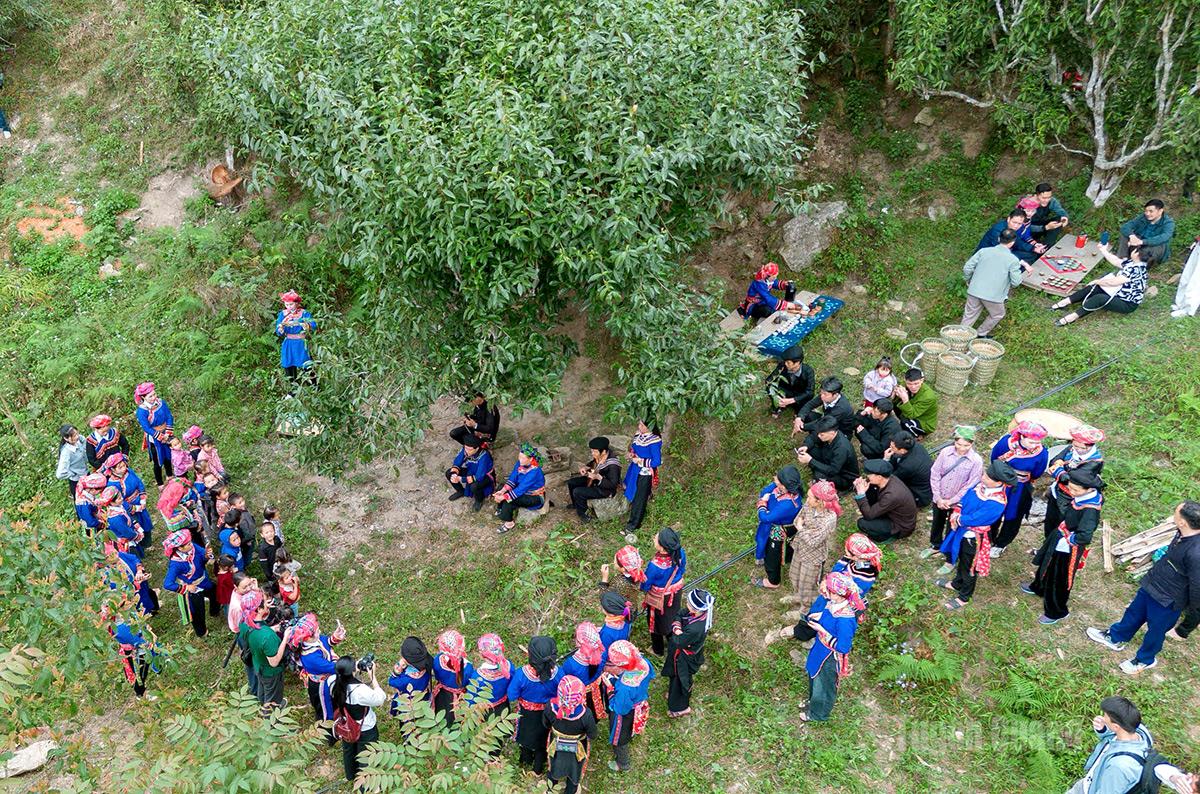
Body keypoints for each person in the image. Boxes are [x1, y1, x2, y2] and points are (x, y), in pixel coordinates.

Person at [1087, 501, 1200, 674]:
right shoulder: (1183, 531)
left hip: (1168, 600)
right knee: (1134, 612)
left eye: (1176, 512)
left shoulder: (1196, 553)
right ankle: (1115, 637)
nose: (1173, 514)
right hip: (1153, 583)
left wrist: (1184, 629)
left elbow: (1197, 592)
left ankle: (1145, 659)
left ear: (1184, 522)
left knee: (1156, 630)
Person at [768, 535, 881, 645]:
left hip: (836, 600)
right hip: (830, 592)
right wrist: (827, 580)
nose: (845, 554)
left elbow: (850, 593)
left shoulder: (866, 575)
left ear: (857, 556)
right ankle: (805, 616)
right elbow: (839, 567)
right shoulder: (855, 559)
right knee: (815, 608)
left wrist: (829, 588)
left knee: (820, 616)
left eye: (848, 552)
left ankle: (803, 633)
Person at [935, 461, 1018, 609]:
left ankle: (964, 596)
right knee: (961, 558)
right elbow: (965, 498)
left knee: (970, 567)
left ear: (998, 482)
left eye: (987, 476)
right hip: (962, 531)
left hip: (973, 538)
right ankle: (956, 583)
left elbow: (977, 518)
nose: (983, 477)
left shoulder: (997, 502)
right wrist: (958, 509)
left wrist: (958, 519)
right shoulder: (981, 487)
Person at [1025, 469, 1103, 625]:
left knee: (1060, 577)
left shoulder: (1090, 509)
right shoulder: (1081, 498)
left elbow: (1085, 535)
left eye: (1075, 490)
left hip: (1068, 546)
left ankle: (1056, 611)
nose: (1071, 491)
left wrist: (1068, 539)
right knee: (1047, 562)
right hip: (1061, 534)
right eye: (1070, 487)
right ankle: (1039, 587)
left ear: (1089, 489)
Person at [800, 572, 864, 722]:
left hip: (830, 657)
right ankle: (813, 702)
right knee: (814, 675)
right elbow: (829, 616)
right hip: (820, 649)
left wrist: (821, 630)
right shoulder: (833, 603)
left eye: (827, 589)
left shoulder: (845, 620)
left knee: (824, 685)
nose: (823, 591)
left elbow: (843, 647)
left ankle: (818, 714)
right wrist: (820, 617)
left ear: (837, 594)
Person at [1065, 697, 1153, 794]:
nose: (1102, 718)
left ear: (1116, 727)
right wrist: (1103, 730)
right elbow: (1112, 736)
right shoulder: (1137, 732)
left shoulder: (1120, 766)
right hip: (1090, 782)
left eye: (1105, 717)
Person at [1053, 242, 1152, 326]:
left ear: (1137, 254)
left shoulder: (1136, 269)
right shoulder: (1134, 263)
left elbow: (1114, 282)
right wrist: (1103, 250)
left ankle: (1072, 317)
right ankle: (1063, 303)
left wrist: (1097, 281)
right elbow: (1116, 261)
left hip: (1127, 303)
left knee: (1099, 298)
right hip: (1118, 292)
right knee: (1094, 287)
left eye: (1135, 249)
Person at [987, 420, 1049, 557]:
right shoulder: (1005, 443)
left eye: (1037, 442)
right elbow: (994, 459)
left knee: (1013, 516)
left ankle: (1001, 544)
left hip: (1019, 488)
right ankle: (987, 538)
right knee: (993, 509)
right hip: (1000, 482)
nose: (1035, 446)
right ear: (1021, 436)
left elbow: (1037, 473)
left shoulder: (1041, 453)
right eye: (1031, 442)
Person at [922, 426, 985, 560]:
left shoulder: (976, 461)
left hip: (958, 502)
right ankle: (935, 545)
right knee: (937, 522)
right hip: (940, 497)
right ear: (954, 441)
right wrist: (938, 497)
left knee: (953, 527)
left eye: (966, 445)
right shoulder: (945, 452)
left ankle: (948, 552)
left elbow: (970, 485)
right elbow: (935, 473)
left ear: (972, 443)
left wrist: (951, 501)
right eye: (958, 444)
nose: (961, 448)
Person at [781, 479, 842, 608]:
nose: (806, 500)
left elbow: (813, 542)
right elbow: (797, 519)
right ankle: (798, 596)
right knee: (794, 575)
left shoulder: (829, 518)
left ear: (820, 501)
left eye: (810, 498)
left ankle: (805, 610)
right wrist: (805, 529)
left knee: (807, 585)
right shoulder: (809, 505)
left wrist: (801, 528)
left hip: (813, 556)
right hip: (799, 547)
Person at [507, 635, 562, 773]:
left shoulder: (521, 675)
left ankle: (525, 760)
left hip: (527, 714)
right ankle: (538, 766)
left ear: (531, 655)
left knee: (525, 736)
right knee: (543, 738)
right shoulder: (558, 673)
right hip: (549, 713)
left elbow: (512, 695)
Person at [329, 655, 386, 785]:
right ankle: (364, 785)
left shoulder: (332, 682)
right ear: (352, 671)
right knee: (366, 756)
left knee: (349, 750)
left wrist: (354, 668)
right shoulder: (361, 691)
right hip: (365, 728)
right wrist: (373, 677)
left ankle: (350, 774)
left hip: (346, 725)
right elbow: (380, 698)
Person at [961, 228, 1026, 338]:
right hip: (993, 295)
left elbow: (967, 267)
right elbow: (1016, 282)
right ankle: (981, 333)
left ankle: (959, 338)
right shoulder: (1013, 260)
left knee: (969, 315)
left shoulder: (983, 251)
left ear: (998, 238)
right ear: (1012, 243)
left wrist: (968, 280)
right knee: (997, 314)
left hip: (974, 289)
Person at [602, 640, 655, 772]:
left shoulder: (625, 686)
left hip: (626, 713)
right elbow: (651, 675)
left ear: (619, 667)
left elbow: (620, 708)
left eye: (608, 664)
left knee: (619, 738)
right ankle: (632, 734)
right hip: (640, 700)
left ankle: (623, 763)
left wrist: (610, 692)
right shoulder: (643, 663)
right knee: (630, 729)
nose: (605, 667)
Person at [1044, 425, 1105, 538]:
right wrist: (1058, 463)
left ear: (1089, 446)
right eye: (1074, 445)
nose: (1076, 448)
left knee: (1061, 527)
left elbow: (1070, 479)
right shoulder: (1072, 449)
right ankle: (1045, 546)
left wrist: (1058, 471)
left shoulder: (1095, 462)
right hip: (1057, 492)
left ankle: (1054, 551)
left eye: (1080, 447)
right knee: (1049, 522)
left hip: (1070, 498)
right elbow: (1054, 459)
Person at [239, 589, 293, 710]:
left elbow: (255, 633)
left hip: (258, 663)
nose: (267, 602)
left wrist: (273, 629)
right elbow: (274, 662)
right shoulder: (267, 637)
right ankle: (271, 716)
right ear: (258, 609)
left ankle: (262, 702)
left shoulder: (243, 621)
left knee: (263, 689)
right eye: (264, 601)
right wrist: (285, 639)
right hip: (270, 672)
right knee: (272, 694)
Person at [662, 588, 713, 717]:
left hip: (685, 658)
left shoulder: (696, 629)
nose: (686, 605)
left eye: (689, 604)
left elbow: (678, 640)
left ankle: (681, 707)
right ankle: (673, 694)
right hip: (680, 653)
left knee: (681, 680)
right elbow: (679, 614)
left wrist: (677, 630)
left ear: (696, 609)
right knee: (675, 676)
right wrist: (677, 628)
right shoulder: (697, 614)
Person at [293, 613, 347, 732]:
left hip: (328, 679)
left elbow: (325, 642)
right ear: (308, 637)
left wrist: (335, 638)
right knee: (324, 708)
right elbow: (333, 667)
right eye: (317, 630)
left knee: (334, 701)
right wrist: (348, 665)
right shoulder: (311, 658)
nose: (320, 631)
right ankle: (328, 732)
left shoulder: (313, 641)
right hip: (320, 686)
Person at [544, 675, 597, 794]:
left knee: (553, 765)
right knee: (575, 770)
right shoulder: (585, 714)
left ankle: (551, 789)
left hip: (555, 744)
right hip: (577, 748)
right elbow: (593, 734)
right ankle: (570, 790)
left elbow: (545, 723)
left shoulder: (550, 706)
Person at [162, 530, 218, 637]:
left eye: (190, 542)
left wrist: (206, 556)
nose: (191, 544)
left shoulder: (192, 547)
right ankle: (201, 632)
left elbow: (202, 555)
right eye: (188, 544)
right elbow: (167, 584)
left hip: (203, 580)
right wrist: (186, 587)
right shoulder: (175, 564)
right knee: (197, 612)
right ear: (180, 548)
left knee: (214, 592)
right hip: (193, 588)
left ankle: (214, 612)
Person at [641, 528, 686, 656]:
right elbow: (682, 569)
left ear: (661, 548)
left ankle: (658, 650)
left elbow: (645, 585)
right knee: (673, 616)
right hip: (675, 593)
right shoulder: (680, 552)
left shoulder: (655, 566)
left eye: (656, 538)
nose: (654, 538)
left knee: (656, 624)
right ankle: (676, 644)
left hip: (660, 600)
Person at [752, 464, 805, 570]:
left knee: (770, 546)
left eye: (778, 480)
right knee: (762, 539)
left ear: (784, 486)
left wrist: (762, 503)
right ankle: (762, 553)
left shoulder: (788, 504)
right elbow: (764, 491)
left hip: (777, 528)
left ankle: (766, 560)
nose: (774, 479)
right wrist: (774, 486)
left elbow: (765, 517)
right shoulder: (785, 487)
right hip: (772, 521)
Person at [852, 459, 917, 543]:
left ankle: (883, 537)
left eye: (869, 474)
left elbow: (868, 516)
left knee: (862, 523)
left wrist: (861, 495)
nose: (867, 476)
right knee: (870, 489)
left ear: (879, 477)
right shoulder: (889, 478)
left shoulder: (891, 495)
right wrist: (859, 487)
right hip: (892, 513)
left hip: (900, 526)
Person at [102, 453, 154, 555]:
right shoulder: (113, 485)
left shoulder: (128, 472)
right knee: (135, 524)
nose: (123, 468)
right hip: (128, 507)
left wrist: (142, 498)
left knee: (145, 521)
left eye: (124, 465)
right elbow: (119, 501)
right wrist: (134, 508)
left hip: (138, 500)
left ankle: (148, 543)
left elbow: (139, 482)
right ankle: (140, 546)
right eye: (120, 467)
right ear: (112, 470)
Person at [796, 415, 859, 492]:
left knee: (819, 475)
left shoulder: (842, 448)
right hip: (829, 458)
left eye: (821, 435)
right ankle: (818, 473)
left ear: (832, 433)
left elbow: (833, 471)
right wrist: (806, 446)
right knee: (810, 449)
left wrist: (810, 460)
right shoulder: (828, 432)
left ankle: (836, 488)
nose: (819, 436)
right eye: (818, 433)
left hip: (843, 476)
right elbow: (812, 437)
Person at [565, 436, 622, 522]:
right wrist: (585, 468)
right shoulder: (600, 456)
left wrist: (598, 477)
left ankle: (585, 516)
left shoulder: (613, 465)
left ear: (603, 451)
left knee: (578, 491)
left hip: (604, 489)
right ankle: (575, 504)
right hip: (594, 480)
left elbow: (613, 485)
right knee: (572, 482)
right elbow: (593, 463)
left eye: (594, 451)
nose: (592, 453)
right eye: (592, 451)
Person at [493, 443, 547, 534]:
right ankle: (501, 509)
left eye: (522, 458)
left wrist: (503, 497)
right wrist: (502, 491)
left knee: (509, 500)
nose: (519, 460)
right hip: (521, 489)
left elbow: (521, 489)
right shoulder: (520, 463)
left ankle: (509, 523)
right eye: (519, 457)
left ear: (530, 459)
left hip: (534, 497)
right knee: (501, 487)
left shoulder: (535, 471)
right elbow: (513, 478)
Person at [561, 622, 608, 721]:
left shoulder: (571, 664)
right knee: (593, 711)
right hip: (596, 688)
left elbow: (565, 679)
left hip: (580, 694)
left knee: (582, 714)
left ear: (579, 643)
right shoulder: (602, 654)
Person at [623, 420, 662, 533]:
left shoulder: (654, 441)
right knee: (634, 492)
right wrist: (632, 454)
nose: (638, 426)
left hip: (645, 472)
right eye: (639, 424)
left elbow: (657, 461)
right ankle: (633, 514)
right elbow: (635, 448)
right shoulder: (638, 434)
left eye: (641, 425)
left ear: (649, 426)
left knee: (640, 498)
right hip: (635, 469)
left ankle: (633, 525)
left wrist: (640, 461)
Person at [133, 382, 174, 485]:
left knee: (168, 455)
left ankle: (170, 475)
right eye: (150, 396)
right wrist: (160, 436)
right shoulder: (142, 411)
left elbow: (169, 416)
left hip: (166, 432)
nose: (154, 397)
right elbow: (146, 427)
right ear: (143, 397)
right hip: (154, 437)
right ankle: (160, 483)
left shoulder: (161, 403)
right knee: (158, 460)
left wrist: (168, 433)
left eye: (154, 394)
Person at [432, 629, 474, 727]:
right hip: (460, 697)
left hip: (443, 693)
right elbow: (469, 682)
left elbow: (437, 676)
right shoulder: (467, 668)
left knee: (443, 709)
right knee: (458, 714)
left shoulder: (438, 660)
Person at [465, 633, 512, 721]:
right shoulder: (508, 666)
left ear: (481, 654)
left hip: (486, 710)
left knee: (488, 726)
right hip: (503, 705)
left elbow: (471, 697)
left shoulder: (478, 676)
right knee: (502, 722)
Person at [736, 261, 805, 320]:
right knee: (769, 310)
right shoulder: (759, 284)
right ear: (768, 276)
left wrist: (784, 284)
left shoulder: (768, 280)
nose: (775, 278)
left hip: (763, 301)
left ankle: (789, 303)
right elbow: (768, 298)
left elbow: (775, 283)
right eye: (774, 277)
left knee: (790, 287)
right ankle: (786, 309)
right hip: (755, 304)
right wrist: (785, 304)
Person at [388, 636, 433, 726]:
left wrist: (397, 670)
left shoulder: (405, 681)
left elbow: (391, 682)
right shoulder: (428, 663)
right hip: (423, 696)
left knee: (407, 724)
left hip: (409, 703)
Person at [445, 432, 495, 511]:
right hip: (471, 471)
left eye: (469, 449)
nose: (466, 451)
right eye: (465, 448)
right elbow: (458, 461)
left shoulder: (484, 456)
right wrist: (454, 474)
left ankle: (479, 500)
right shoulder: (466, 449)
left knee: (474, 486)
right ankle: (461, 491)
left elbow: (479, 476)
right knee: (449, 473)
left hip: (485, 476)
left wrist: (461, 479)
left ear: (477, 448)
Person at [275, 290, 317, 382]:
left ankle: (314, 387)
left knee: (307, 364)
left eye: (291, 304)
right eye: (286, 304)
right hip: (289, 343)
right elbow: (278, 329)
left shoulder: (304, 313)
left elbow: (313, 325)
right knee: (289, 365)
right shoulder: (283, 314)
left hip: (301, 342)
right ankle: (292, 390)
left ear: (297, 303)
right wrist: (280, 329)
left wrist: (306, 325)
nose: (289, 307)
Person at [1118, 198, 1175, 264]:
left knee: (1154, 249)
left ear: (1160, 211)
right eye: (1146, 211)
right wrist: (1132, 236)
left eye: (1151, 211)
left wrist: (1142, 242)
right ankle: (1123, 259)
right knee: (1125, 234)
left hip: (1153, 246)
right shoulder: (1143, 217)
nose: (1147, 214)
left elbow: (1164, 237)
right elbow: (1125, 226)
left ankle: (1138, 264)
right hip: (1139, 243)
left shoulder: (1168, 223)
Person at [766, 344, 816, 419]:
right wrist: (775, 396)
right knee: (776, 395)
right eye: (785, 361)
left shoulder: (808, 371)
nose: (786, 364)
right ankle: (777, 408)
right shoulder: (782, 366)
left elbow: (810, 392)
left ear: (797, 362)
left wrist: (792, 400)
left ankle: (798, 411)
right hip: (785, 390)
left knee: (804, 401)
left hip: (799, 394)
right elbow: (769, 381)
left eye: (788, 363)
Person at [977, 208, 1044, 263]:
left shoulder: (1015, 228)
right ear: (1009, 219)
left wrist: (1033, 248)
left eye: (1019, 224)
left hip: (1006, 251)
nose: (1016, 226)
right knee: (1018, 260)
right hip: (990, 255)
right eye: (1014, 222)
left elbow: (1017, 241)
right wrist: (1019, 261)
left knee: (1032, 254)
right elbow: (998, 251)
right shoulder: (998, 230)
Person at [885, 433, 933, 508]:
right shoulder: (916, 446)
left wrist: (886, 460)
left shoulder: (908, 466)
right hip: (925, 486)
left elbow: (889, 479)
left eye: (893, 447)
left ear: (902, 451)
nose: (890, 448)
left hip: (919, 496)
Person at [892, 368, 938, 438]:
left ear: (922, 380)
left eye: (916, 383)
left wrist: (905, 399)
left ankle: (916, 435)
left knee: (905, 422)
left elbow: (912, 415)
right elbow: (895, 401)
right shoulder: (905, 384)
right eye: (909, 384)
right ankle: (903, 424)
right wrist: (895, 395)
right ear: (905, 380)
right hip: (913, 410)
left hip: (924, 422)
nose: (913, 387)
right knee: (895, 405)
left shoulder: (928, 397)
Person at [1028, 182, 1069, 246]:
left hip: (1042, 224)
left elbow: (1061, 211)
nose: (1047, 200)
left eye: (1049, 197)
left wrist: (1065, 217)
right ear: (1037, 195)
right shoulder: (1027, 204)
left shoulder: (1052, 201)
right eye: (1044, 198)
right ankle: (1035, 243)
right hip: (1029, 230)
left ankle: (1047, 246)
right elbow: (1023, 227)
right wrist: (1045, 227)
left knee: (1058, 219)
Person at [56, 424, 88, 504]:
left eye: (77, 434)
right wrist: (73, 473)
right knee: (83, 504)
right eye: (74, 436)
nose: (76, 437)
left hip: (86, 475)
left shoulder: (78, 440)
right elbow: (60, 474)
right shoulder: (66, 452)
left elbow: (84, 443)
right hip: (77, 482)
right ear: (66, 438)